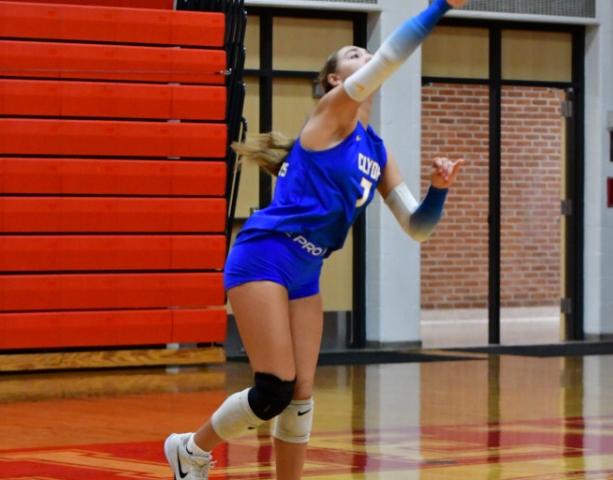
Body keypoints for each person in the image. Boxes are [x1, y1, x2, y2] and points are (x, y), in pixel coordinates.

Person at [165, 0, 469, 478]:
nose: (366, 55)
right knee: (274, 389)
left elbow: (417, 227)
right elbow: (391, 56)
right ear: (334, 79)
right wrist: (440, 6)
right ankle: (190, 449)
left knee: (301, 396)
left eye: (365, 51)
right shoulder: (331, 114)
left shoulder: (377, 150)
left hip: (308, 268)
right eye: (354, 53)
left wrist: (439, 190)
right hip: (265, 254)